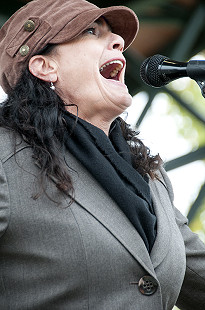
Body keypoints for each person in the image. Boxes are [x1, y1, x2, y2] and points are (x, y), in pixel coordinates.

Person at [0, 0, 204, 309]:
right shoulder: (6, 157)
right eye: (92, 31)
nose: (119, 42)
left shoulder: (151, 178)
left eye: (114, 36)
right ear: (44, 66)